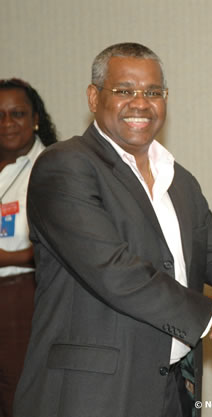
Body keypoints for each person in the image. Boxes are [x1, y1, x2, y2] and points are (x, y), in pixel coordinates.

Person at [13, 42, 212, 417]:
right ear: (93, 97)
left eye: (153, 92)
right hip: (92, 394)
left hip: (174, 390)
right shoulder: (65, 166)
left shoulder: (178, 180)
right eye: (124, 91)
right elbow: (114, 271)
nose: (141, 103)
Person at [0, 78, 57, 417]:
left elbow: (63, 247)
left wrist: (5, 258)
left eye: (17, 113)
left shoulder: (53, 166)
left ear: (36, 118)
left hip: (23, 298)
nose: (7, 123)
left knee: (19, 397)